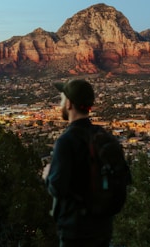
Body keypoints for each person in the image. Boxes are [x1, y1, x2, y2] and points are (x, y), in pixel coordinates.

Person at [45, 79, 114, 247]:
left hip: (75, 231)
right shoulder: (104, 137)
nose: (60, 103)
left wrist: (48, 175)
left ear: (69, 104)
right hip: (102, 229)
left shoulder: (66, 141)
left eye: (61, 99)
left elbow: (57, 188)